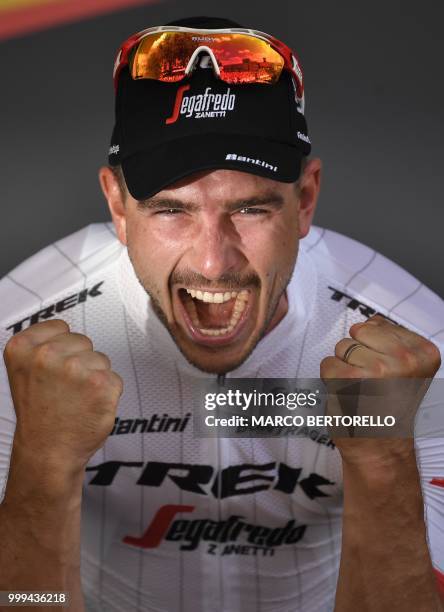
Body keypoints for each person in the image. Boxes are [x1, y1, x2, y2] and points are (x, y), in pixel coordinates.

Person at [0, 15, 443, 612]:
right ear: (118, 205)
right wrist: (43, 466)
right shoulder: (15, 338)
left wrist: (385, 459)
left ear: (305, 200)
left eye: (251, 209)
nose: (212, 262)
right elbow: (25, 599)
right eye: (170, 210)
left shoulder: (420, 354)